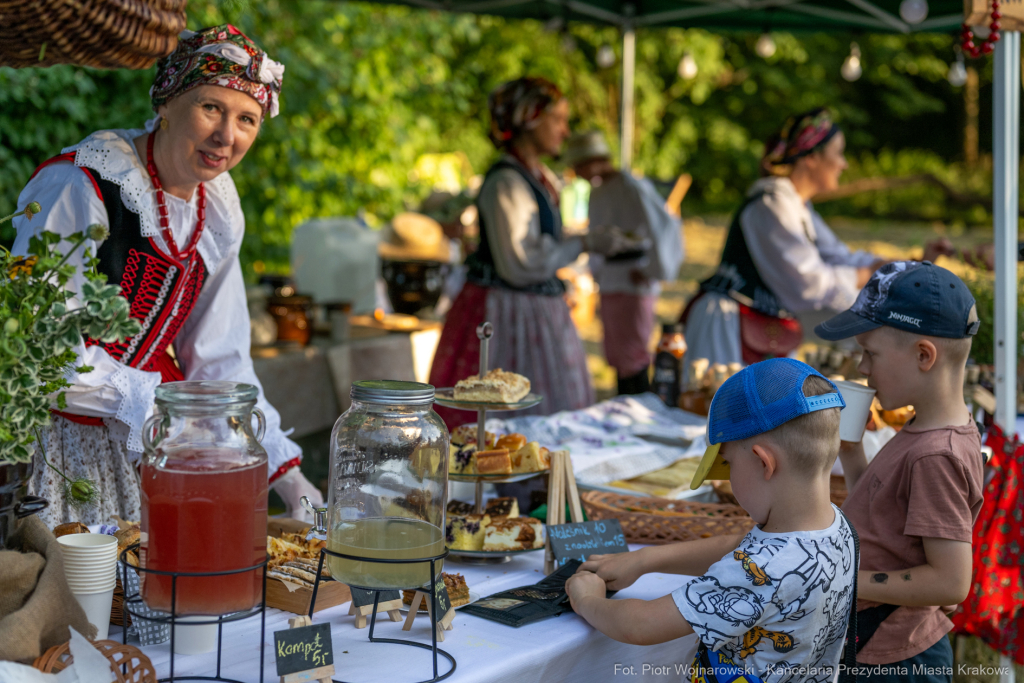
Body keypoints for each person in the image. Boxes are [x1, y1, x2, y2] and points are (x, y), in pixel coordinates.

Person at [12, 25, 324, 526]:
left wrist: (288, 476)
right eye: (211, 108)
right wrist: (157, 404)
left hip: (148, 451)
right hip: (50, 445)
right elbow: (40, 352)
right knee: (66, 595)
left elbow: (221, 361)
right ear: (166, 102)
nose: (228, 135)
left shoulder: (217, 209)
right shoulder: (83, 184)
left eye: (247, 118)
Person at [566, 358, 857, 683]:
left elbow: (640, 624)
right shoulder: (836, 527)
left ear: (764, 463)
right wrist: (645, 559)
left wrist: (586, 599)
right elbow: (740, 546)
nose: (728, 479)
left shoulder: (769, 569)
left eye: (728, 463)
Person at [428, 77, 640, 426]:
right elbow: (520, 264)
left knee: (543, 413)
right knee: (502, 415)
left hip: (535, 313)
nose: (565, 130)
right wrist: (584, 243)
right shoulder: (506, 183)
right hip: (507, 314)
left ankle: (541, 476)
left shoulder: (538, 177)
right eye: (557, 119)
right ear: (530, 119)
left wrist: (584, 239)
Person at [816, 261, 984, 682]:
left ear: (924, 355)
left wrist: (846, 581)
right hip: (884, 648)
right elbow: (887, 519)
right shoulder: (924, 428)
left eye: (869, 353)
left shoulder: (935, 455)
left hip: (898, 664)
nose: (861, 368)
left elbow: (950, 582)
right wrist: (853, 456)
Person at [682, 107, 951, 368]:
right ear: (810, 157)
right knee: (715, 408)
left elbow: (840, 256)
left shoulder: (796, 205)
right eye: (839, 154)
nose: (844, 164)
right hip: (726, 326)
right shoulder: (771, 204)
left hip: (755, 325)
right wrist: (870, 272)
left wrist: (909, 268)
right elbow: (810, 282)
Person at [565, 130, 684, 395]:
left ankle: (639, 405)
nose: (577, 172)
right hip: (611, 278)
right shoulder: (598, 192)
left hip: (633, 278)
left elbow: (663, 226)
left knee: (634, 352)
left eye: (579, 166)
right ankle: (625, 402)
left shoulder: (631, 185)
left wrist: (652, 269)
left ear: (594, 160)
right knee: (618, 353)